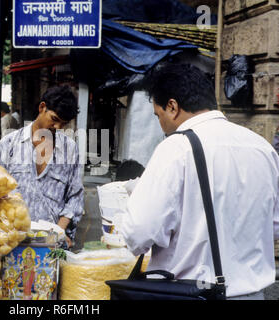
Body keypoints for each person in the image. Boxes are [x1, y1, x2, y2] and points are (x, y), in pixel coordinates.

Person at [119, 64, 279, 300]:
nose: (161, 124)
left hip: (190, 293)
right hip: (253, 294)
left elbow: (139, 233)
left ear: (172, 107)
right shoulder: (262, 147)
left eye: (158, 115)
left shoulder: (176, 147)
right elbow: (273, 225)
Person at [0, 85, 84, 249]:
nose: (58, 128)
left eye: (64, 124)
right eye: (54, 119)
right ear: (42, 107)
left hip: (51, 245)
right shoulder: (9, 144)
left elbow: (75, 196)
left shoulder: (70, 149)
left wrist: (59, 232)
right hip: (9, 242)